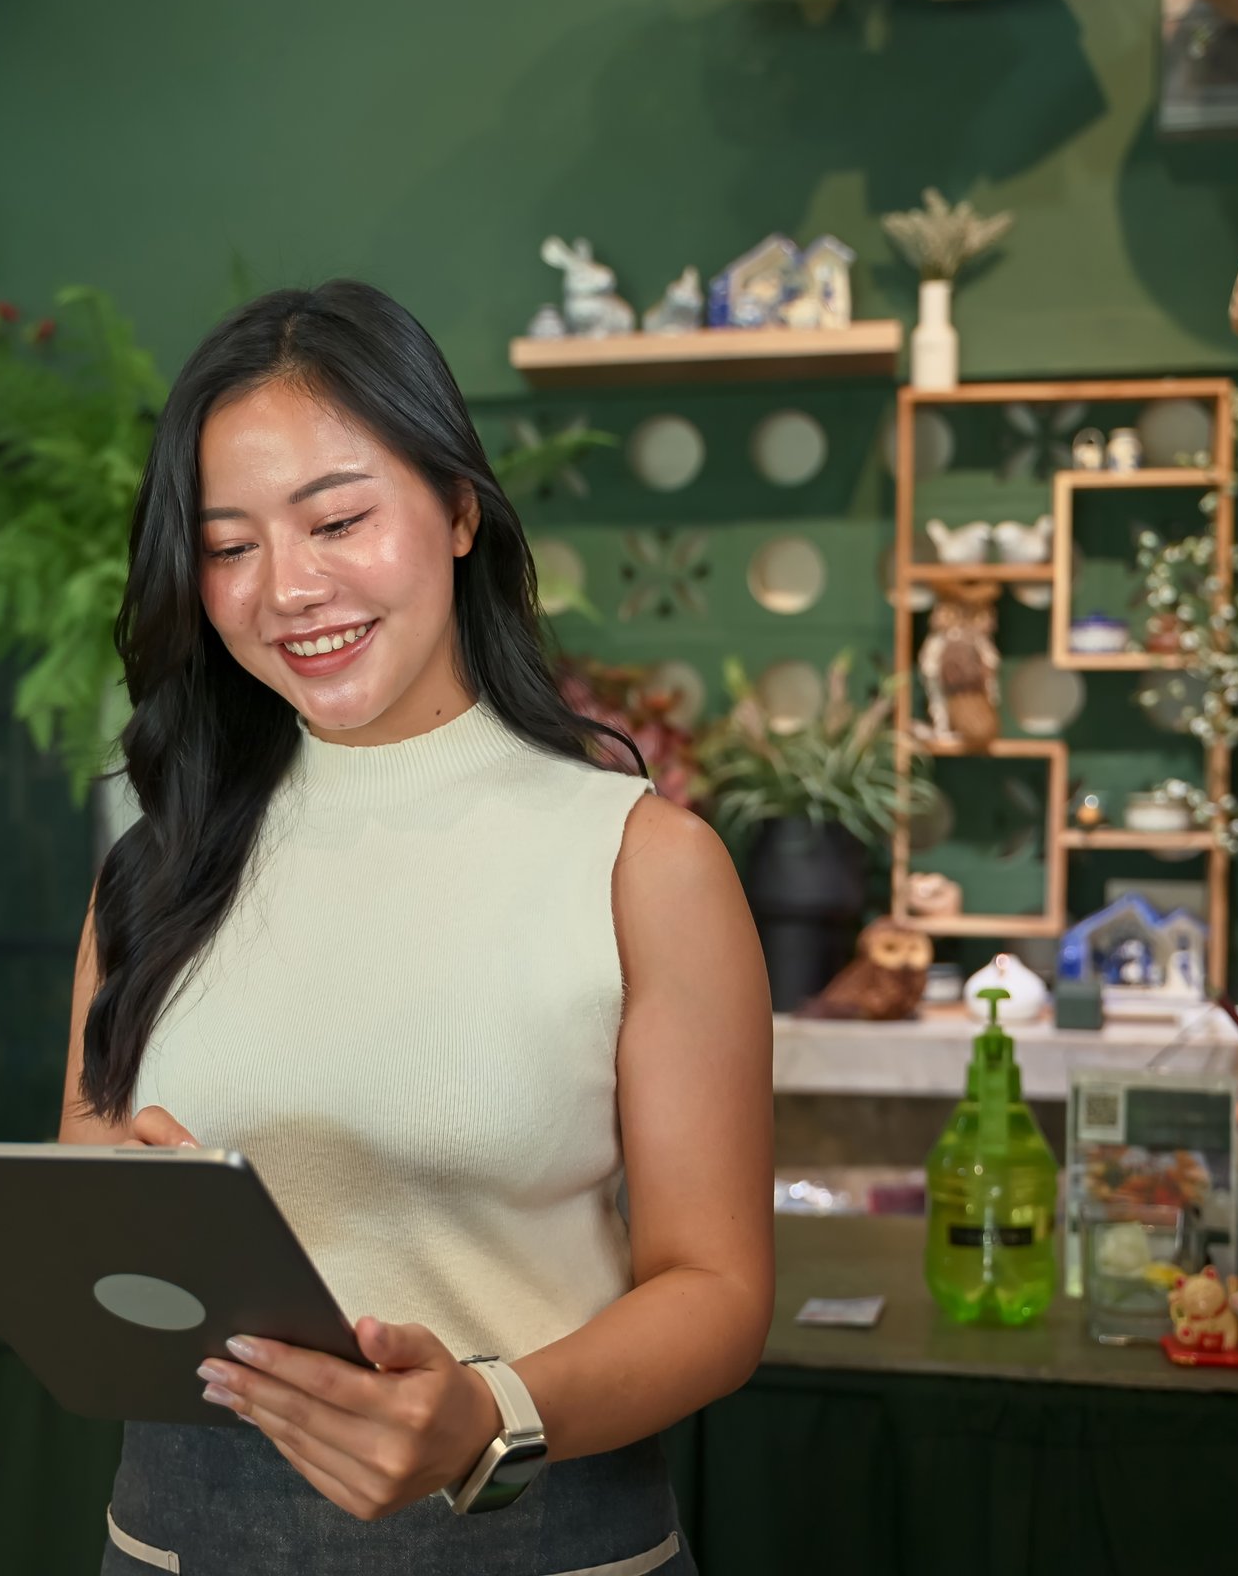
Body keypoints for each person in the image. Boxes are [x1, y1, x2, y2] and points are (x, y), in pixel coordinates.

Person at [59, 279, 772, 1575]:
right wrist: (120, 1207)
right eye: (229, 546)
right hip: (174, 1540)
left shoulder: (641, 864)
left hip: (533, 1539)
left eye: (337, 518)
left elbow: (718, 1295)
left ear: (455, 510)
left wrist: (485, 1419)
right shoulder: (155, 867)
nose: (289, 588)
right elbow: (91, 1167)